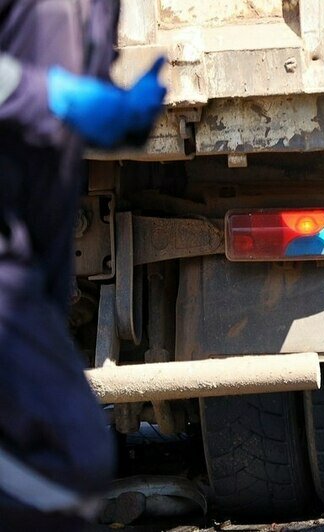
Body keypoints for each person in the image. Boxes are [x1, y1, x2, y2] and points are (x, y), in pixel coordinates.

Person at [0, 0, 166, 527]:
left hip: (35, 261)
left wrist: (123, 116)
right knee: (68, 454)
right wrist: (49, 96)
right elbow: (50, 101)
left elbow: (76, 108)